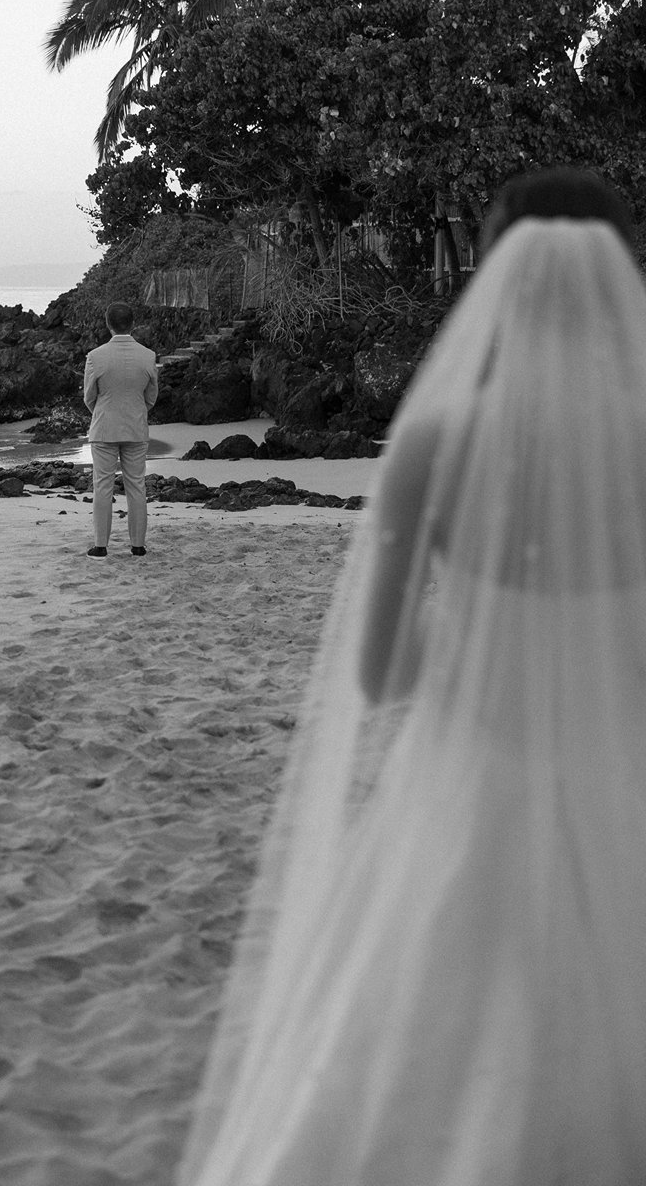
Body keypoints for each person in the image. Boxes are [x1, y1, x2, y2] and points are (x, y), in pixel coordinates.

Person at [178, 167, 646, 1186]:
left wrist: (491, 654)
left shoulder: (435, 442)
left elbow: (383, 672)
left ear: (496, 286)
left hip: (472, 802)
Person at [83, 301, 158, 557]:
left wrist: (103, 412)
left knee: (102, 486)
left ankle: (100, 545)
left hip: (104, 426)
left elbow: (88, 396)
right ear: (133, 323)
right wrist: (136, 411)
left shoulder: (95, 356)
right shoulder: (148, 356)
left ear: (108, 324)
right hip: (136, 426)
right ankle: (138, 546)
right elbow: (151, 396)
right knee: (136, 485)